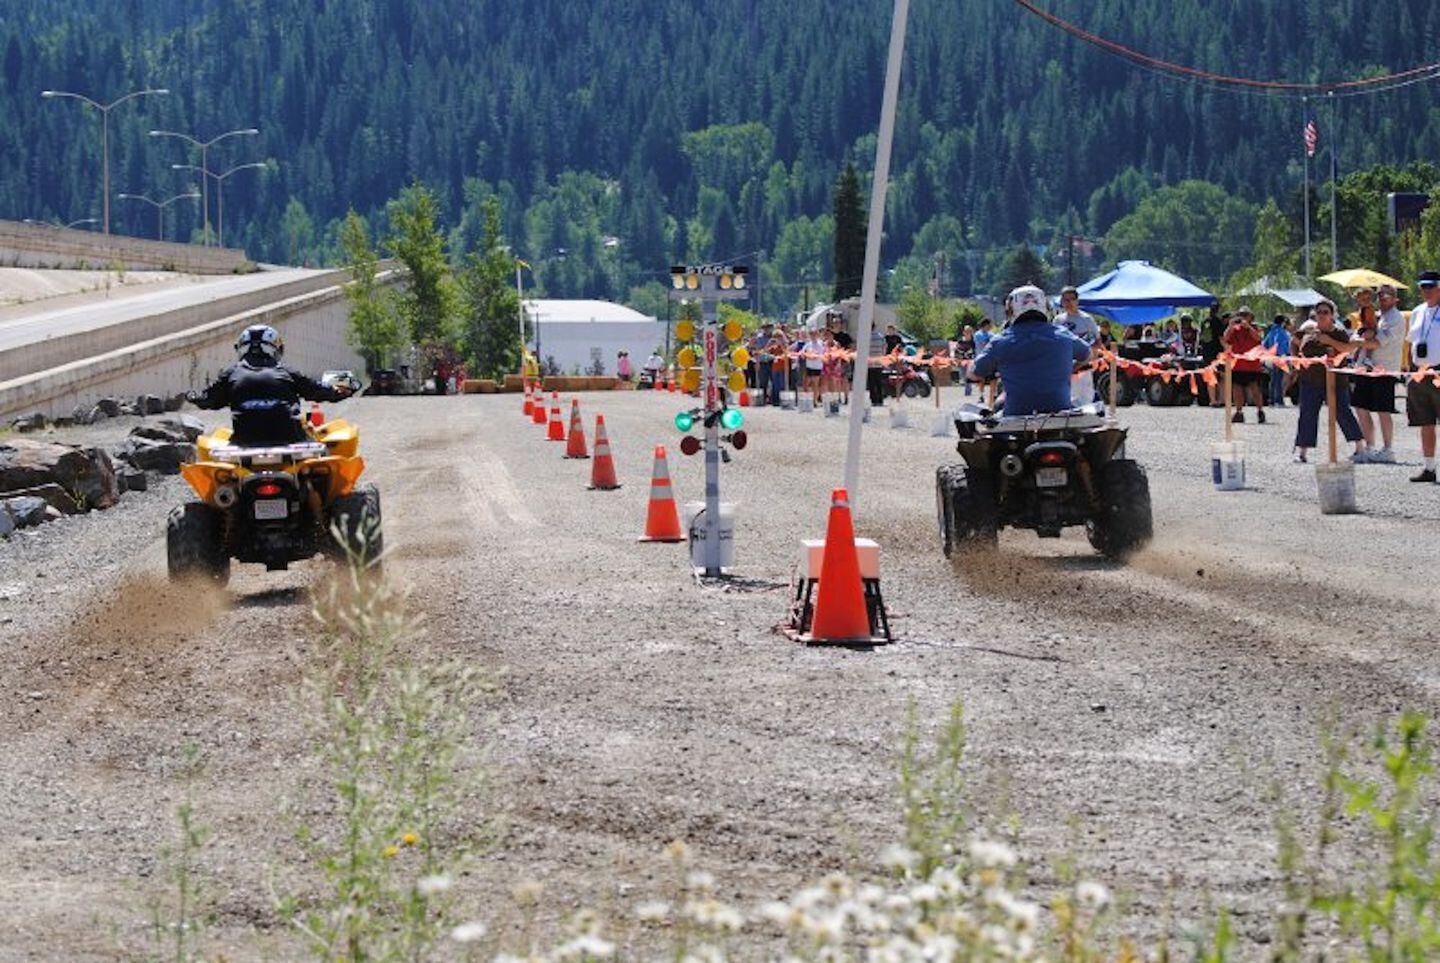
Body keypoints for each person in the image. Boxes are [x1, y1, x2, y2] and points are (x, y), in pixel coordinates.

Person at [188, 324, 352, 446]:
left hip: (244, 441)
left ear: (242, 349)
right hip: (290, 439)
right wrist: (337, 391)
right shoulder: (286, 372)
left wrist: (193, 396)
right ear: (275, 349)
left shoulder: (232, 373)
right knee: (322, 451)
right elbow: (316, 390)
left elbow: (208, 399)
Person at [969, 285, 1091, 416]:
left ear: (1011, 309)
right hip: (1060, 409)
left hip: (1016, 413)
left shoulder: (1000, 341)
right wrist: (1071, 368)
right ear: (1045, 306)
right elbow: (1087, 355)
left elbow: (975, 373)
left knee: (995, 406)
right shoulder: (1064, 335)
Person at [1292, 300, 1366, 463]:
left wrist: (1329, 341)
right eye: (1319, 312)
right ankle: (1302, 451)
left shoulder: (1339, 332)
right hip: (1310, 380)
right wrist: (1297, 361)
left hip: (1335, 381)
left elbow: (1348, 349)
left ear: (1332, 315)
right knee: (1307, 414)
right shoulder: (1308, 330)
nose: (1322, 315)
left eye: (1326, 312)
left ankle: (1359, 447)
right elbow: (1294, 341)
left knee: (1343, 412)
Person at [1350, 285, 1402, 463]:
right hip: (1366, 368)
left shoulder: (1396, 318)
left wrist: (1356, 342)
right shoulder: (1376, 315)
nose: (1382, 298)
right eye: (1379, 295)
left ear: (1396, 299)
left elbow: (1377, 343)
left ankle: (1388, 449)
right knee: (1361, 407)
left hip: (1384, 369)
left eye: (1386, 295)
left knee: (1383, 410)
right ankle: (1369, 447)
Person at [1406, 270, 1440, 482]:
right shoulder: (1418, 311)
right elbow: (1411, 342)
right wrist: (1410, 370)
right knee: (1425, 422)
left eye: (1430, 287)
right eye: (1422, 287)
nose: (1426, 291)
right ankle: (1429, 468)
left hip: (1439, 370)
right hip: (1420, 373)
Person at [1053, 286, 1099, 407]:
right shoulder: (1058, 321)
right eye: (1065, 300)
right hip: (1063, 369)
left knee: (1084, 402)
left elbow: (1096, 343)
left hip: (1083, 368)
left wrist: (1092, 361)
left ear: (1077, 301)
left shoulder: (1086, 319)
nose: (1069, 303)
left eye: (1071, 299)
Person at [1221, 307, 1266, 423]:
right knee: (1237, 389)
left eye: (1246, 315)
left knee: (1255, 389)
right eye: (1241, 315)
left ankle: (1260, 410)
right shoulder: (1234, 329)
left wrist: (1249, 327)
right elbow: (1225, 339)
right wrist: (1230, 327)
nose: (1243, 317)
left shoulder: (1255, 328)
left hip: (1252, 365)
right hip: (1237, 364)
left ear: (1251, 317)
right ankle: (1239, 411)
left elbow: (1258, 338)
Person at [1261, 314, 1292, 407]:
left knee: (1273, 380)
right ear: (1282, 322)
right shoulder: (1281, 332)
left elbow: (1264, 344)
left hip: (1271, 358)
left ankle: (1271, 400)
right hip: (1279, 357)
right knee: (1278, 380)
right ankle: (1279, 400)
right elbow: (1279, 344)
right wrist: (1281, 356)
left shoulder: (1271, 331)